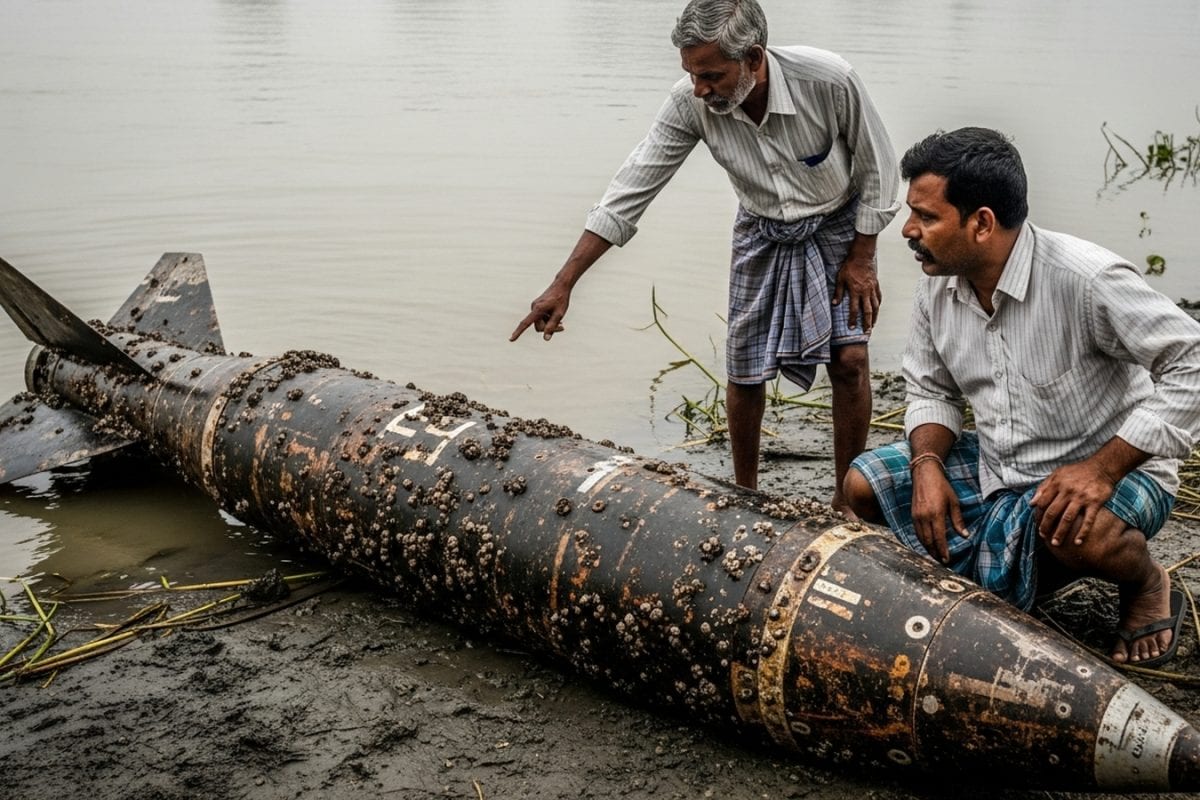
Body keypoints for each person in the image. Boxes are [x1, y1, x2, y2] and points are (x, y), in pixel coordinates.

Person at [510, 0, 899, 512]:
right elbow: (632, 189)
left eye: (712, 76)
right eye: (692, 74)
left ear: (754, 58)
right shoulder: (689, 102)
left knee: (850, 359)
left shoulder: (829, 80)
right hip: (761, 227)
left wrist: (863, 256)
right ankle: (745, 494)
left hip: (840, 224)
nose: (699, 89)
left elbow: (878, 169)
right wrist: (564, 283)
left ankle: (844, 499)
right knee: (744, 366)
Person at [844, 127, 1200, 667]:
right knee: (862, 486)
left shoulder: (1086, 279)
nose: (909, 230)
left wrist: (1102, 470)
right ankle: (1023, 562)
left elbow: (1191, 362)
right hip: (1001, 465)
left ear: (982, 223)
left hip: (1116, 473)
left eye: (926, 216)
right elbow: (931, 388)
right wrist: (927, 464)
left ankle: (1146, 581)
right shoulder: (938, 282)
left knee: (1074, 533)